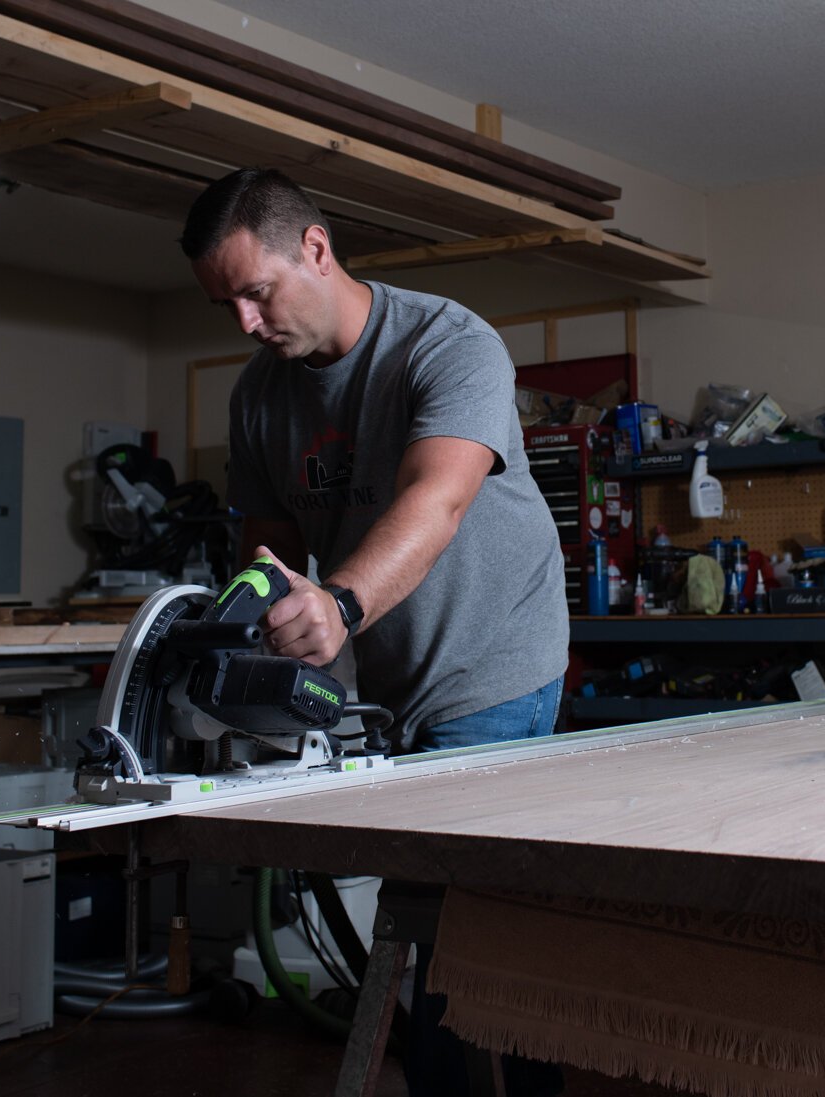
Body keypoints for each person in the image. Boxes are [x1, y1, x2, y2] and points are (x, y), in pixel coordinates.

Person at [180, 167, 568, 1094]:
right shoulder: (258, 398)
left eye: (255, 291)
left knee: (465, 929)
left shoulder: (447, 342)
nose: (244, 321)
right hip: (383, 688)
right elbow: (268, 556)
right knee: (426, 926)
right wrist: (237, 631)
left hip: (494, 664)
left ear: (314, 249)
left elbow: (437, 498)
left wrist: (341, 605)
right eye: (226, 302)